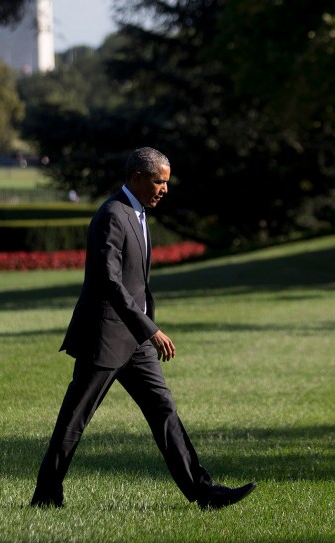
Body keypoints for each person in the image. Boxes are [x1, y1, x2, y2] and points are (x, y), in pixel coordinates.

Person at [30, 147, 257, 510]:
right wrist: (150, 328)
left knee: (164, 410)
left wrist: (143, 330)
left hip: (134, 342)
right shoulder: (112, 216)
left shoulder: (137, 214)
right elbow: (109, 281)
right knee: (74, 420)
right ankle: (46, 497)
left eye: (166, 182)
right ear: (136, 177)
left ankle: (205, 493)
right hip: (105, 337)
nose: (164, 189)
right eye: (158, 181)